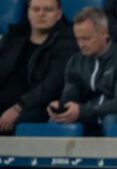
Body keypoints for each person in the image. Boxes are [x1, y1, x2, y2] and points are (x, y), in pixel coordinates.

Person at [48, 7, 117, 134]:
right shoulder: (75, 61)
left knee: (110, 121)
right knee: (56, 120)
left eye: (86, 38)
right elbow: (69, 96)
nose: (81, 44)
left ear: (104, 33)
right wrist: (61, 107)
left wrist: (82, 110)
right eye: (78, 39)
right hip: (87, 114)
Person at [0, 0, 77, 134]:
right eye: (36, 9)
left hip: (36, 106)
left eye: (48, 10)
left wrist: (18, 107)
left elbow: (51, 85)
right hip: (5, 102)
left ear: (59, 14)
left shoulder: (67, 41)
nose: (41, 14)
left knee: (19, 121)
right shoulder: (13, 37)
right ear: (28, 13)